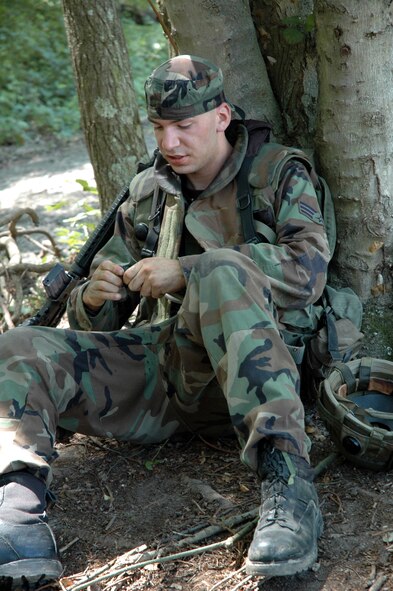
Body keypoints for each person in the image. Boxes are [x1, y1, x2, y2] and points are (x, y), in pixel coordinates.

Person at [0, 55, 330, 587]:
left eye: (184, 126)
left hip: (257, 377)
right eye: (159, 128)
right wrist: (93, 297)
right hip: (167, 377)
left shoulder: (276, 172)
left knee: (224, 270)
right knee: (19, 344)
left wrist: (187, 271)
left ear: (221, 117)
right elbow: (102, 321)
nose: (170, 142)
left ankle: (289, 488)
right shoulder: (149, 192)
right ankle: (16, 515)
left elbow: (309, 271)